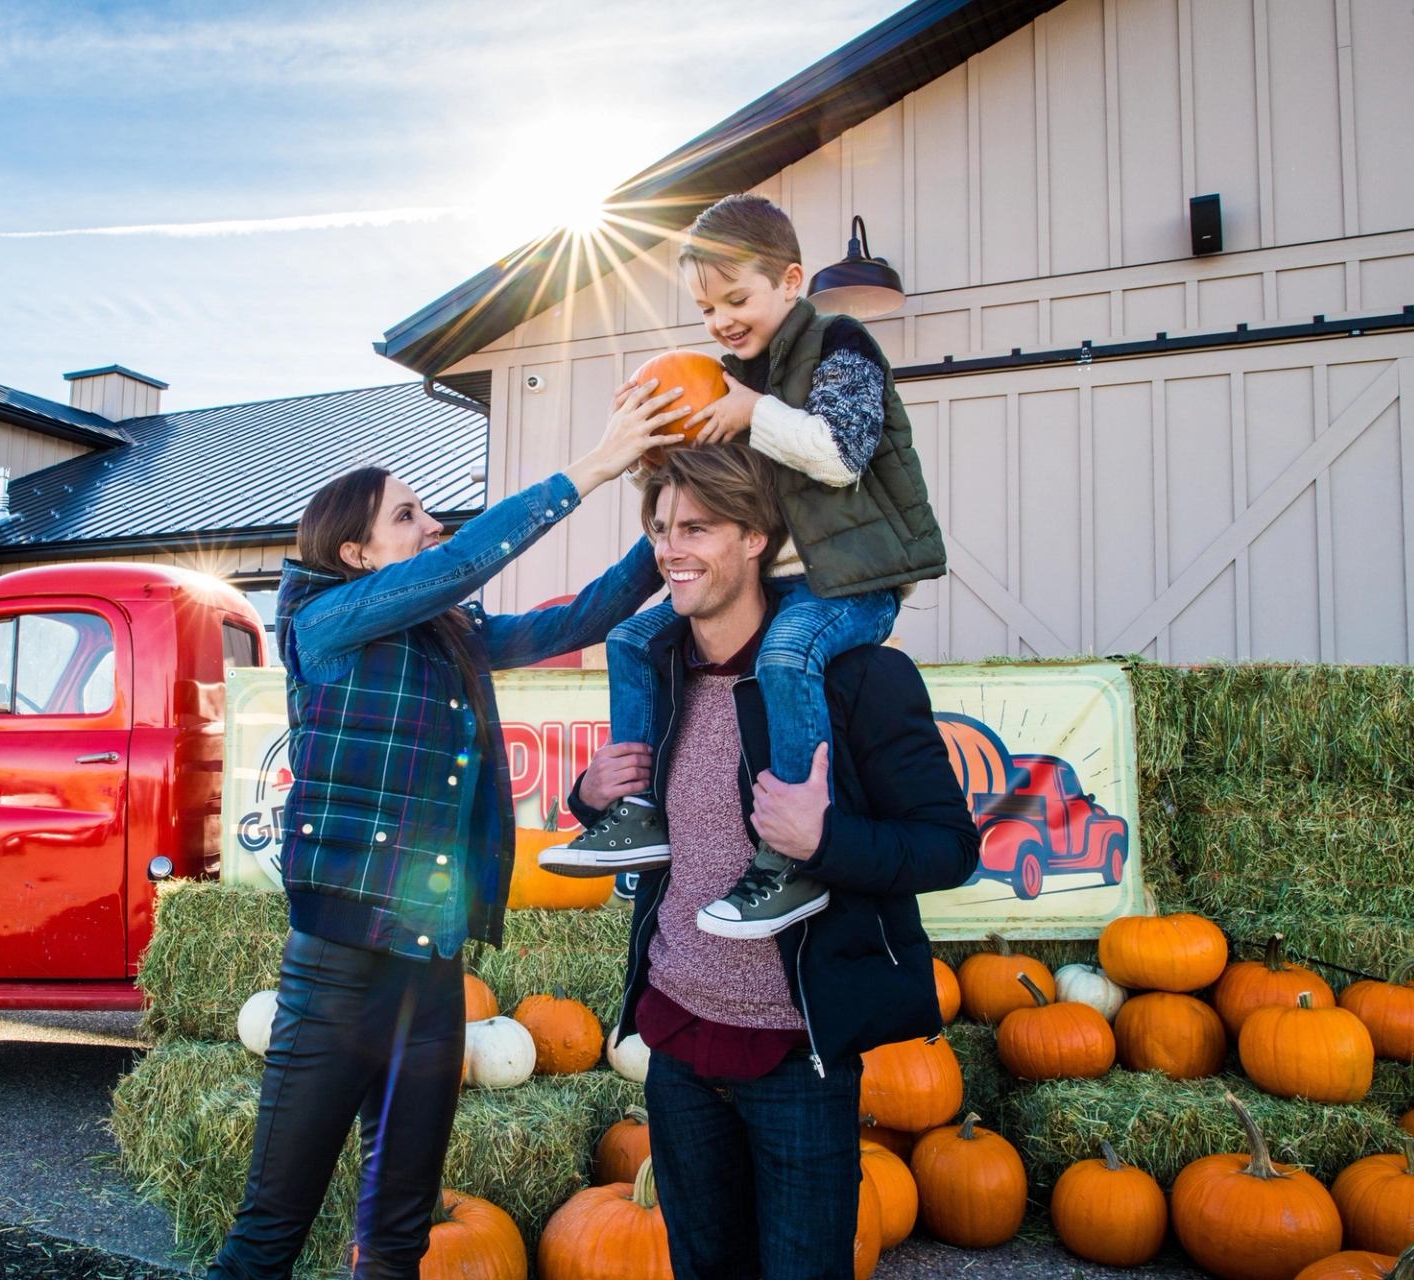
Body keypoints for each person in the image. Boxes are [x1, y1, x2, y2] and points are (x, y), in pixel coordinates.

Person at [204, 380, 690, 1280]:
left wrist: (661, 531)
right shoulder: (326, 619)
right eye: (408, 515)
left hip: (429, 961)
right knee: (269, 1229)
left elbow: (568, 621)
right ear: (354, 551)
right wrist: (593, 465)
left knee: (399, 1231)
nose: (429, 526)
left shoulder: (444, 631)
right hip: (340, 962)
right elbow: (459, 563)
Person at [568, 442, 978, 1280]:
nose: (670, 548)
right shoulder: (659, 675)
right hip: (678, 1053)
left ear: (756, 536)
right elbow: (658, 835)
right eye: (659, 528)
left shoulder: (859, 678)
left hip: (798, 1059)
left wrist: (824, 842)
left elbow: (949, 847)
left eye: (697, 527)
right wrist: (590, 796)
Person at [542, 193, 948, 943]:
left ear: (791, 282)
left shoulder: (840, 343)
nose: (723, 318)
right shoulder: (729, 376)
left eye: (738, 297)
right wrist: (650, 439)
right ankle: (638, 812)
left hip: (851, 582)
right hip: (770, 582)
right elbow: (703, 495)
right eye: (706, 308)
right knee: (631, 641)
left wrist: (746, 408)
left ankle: (792, 851)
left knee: (790, 655)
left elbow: (839, 450)